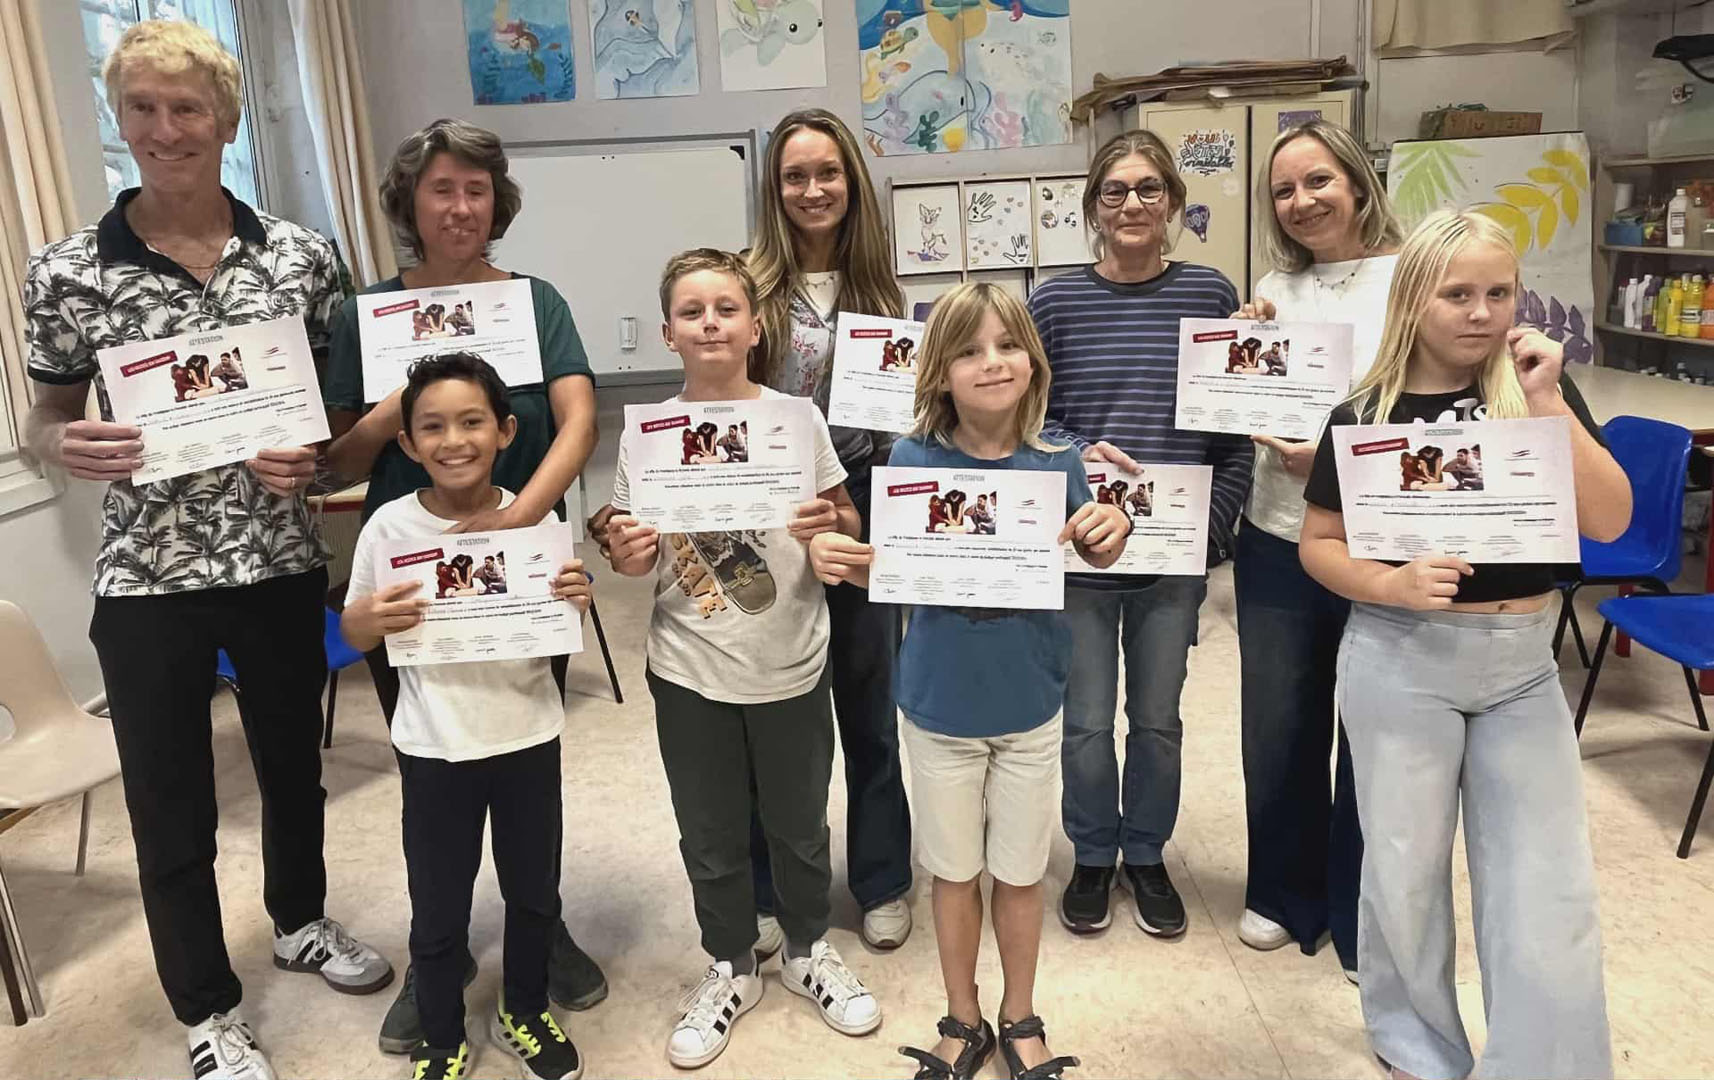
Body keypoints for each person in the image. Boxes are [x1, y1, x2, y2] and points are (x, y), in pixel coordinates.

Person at [21, 20, 390, 1080]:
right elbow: (45, 416)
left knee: (294, 772)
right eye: (141, 107)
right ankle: (207, 1008)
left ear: (225, 122)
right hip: (148, 577)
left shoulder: (300, 256)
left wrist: (312, 458)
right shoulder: (68, 271)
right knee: (169, 798)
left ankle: (300, 921)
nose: (164, 129)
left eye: (186, 108)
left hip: (279, 562)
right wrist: (60, 444)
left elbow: (335, 410)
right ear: (119, 117)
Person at [1300, 209, 1629, 1080]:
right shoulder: (1364, 414)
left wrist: (1551, 403)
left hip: (1522, 663)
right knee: (1402, 870)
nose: (1481, 313)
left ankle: (1546, 1063)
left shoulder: (1538, 393)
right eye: (1456, 294)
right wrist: (1389, 584)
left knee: (1543, 878)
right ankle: (1415, 1044)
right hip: (1400, 655)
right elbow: (1319, 544)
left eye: (1498, 292)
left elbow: (1612, 519)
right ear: (1414, 299)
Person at [319, 116, 605, 1055]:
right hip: (411, 568)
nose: (459, 206)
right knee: (434, 759)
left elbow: (577, 421)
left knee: (521, 741)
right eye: (440, 188)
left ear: (497, 201)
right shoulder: (366, 313)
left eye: (476, 189)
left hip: (518, 553)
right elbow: (335, 460)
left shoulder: (534, 302)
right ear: (410, 201)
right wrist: (397, 403)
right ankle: (432, 959)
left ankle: (539, 932)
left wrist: (524, 524)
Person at [809, 283, 1130, 1080]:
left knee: (1019, 876)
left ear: (1034, 361)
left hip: (1030, 703)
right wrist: (846, 562)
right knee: (953, 875)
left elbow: (1099, 547)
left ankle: (1020, 1016)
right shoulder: (911, 460)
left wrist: (1114, 526)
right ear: (939, 373)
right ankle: (963, 1017)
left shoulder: (1058, 462)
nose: (992, 363)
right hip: (938, 707)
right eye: (968, 350)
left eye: (1008, 345)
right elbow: (895, 571)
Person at [605, 249, 881, 1069]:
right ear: (668, 333)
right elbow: (628, 549)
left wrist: (833, 531)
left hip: (790, 654)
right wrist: (625, 550)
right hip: (689, 664)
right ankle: (730, 963)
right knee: (710, 829)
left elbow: (846, 519)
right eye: (691, 312)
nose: (710, 324)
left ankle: (807, 949)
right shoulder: (650, 435)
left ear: (756, 328)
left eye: (726, 309)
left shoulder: (798, 420)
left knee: (799, 823)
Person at [1028, 130, 1252, 938]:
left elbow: (1234, 432)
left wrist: (1211, 535)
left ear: (1174, 204)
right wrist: (1074, 451)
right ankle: (1094, 854)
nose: (1132, 203)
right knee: (1086, 720)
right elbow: (1026, 420)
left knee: (1157, 720)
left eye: (1149, 188)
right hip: (1081, 547)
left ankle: (1148, 853)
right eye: (1115, 190)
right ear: (1093, 207)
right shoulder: (1053, 303)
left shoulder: (1211, 294)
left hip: (1172, 555)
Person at [343, 355, 591, 1080]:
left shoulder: (534, 521)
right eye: (433, 427)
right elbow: (353, 631)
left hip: (527, 735)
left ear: (505, 431)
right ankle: (442, 1034)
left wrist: (575, 600)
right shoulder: (390, 527)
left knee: (534, 892)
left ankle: (526, 1007)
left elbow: (558, 623)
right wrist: (367, 619)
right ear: (408, 443)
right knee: (438, 903)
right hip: (435, 745)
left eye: (472, 421)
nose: (454, 440)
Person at [1229, 118, 1405, 976]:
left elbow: (1429, 405)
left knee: (1374, 729)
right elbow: (1245, 402)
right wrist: (1239, 348)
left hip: (1381, 541)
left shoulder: (1415, 277)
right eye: (1284, 191)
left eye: (1319, 180)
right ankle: (1280, 891)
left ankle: (1359, 908)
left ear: (1359, 182)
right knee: (1279, 723)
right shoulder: (1274, 287)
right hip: (1276, 532)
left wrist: (1337, 461)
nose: (1301, 201)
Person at [744, 107, 916, 950]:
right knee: (778, 714)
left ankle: (882, 878)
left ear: (852, 181)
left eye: (827, 173)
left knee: (870, 703)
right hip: (772, 520)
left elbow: (903, 427)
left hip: (865, 509)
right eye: (794, 176)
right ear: (774, 190)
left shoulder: (884, 295)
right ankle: (775, 888)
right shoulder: (749, 291)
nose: (812, 190)